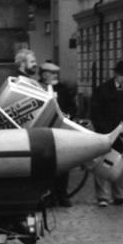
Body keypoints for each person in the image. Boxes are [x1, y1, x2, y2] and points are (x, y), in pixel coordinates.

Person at [90, 60, 123, 207]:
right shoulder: (103, 89)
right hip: (105, 134)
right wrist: (106, 131)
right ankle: (102, 196)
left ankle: (119, 196)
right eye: (122, 75)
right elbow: (95, 112)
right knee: (102, 165)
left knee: (120, 165)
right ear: (116, 74)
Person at [39, 61, 78, 207]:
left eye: (56, 73)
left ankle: (62, 195)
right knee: (46, 165)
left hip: (61, 131)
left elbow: (72, 107)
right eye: (52, 73)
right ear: (44, 74)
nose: (55, 75)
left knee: (63, 165)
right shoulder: (37, 87)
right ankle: (48, 195)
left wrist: (69, 115)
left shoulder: (63, 89)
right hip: (43, 131)